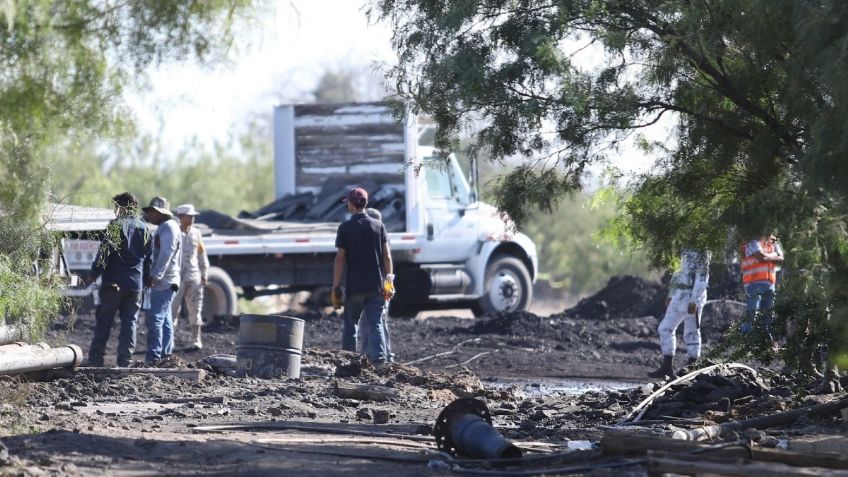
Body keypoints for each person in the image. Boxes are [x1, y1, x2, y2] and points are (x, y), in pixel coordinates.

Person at [86, 192, 152, 367]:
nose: (115, 210)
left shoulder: (115, 227)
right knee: (130, 323)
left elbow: (104, 254)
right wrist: (146, 279)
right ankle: (125, 361)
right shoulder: (144, 228)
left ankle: (95, 359)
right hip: (135, 285)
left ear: (123, 207)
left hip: (113, 284)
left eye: (117, 207)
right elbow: (148, 257)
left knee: (104, 321)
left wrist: (94, 273)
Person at [331, 188, 394, 363]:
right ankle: (380, 362)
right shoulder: (379, 226)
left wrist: (336, 287)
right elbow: (386, 256)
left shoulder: (345, 228)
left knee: (351, 325)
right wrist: (389, 281)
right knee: (376, 323)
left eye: (348, 203)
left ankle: (348, 361)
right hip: (376, 286)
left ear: (352, 204)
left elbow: (340, 260)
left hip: (355, 286)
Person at [648, 250, 710, 378]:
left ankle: (692, 366)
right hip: (678, 296)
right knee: (665, 328)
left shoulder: (703, 251)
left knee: (691, 331)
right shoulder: (684, 249)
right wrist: (671, 294)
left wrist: (694, 300)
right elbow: (677, 273)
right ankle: (667, 366)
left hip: (691, 298)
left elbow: (702, 278)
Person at [142, 196, 181, 365]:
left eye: (152, 212)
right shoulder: (167, 227)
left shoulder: (168, 228)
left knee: (155, 318)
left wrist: (155, 275)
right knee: (164, 319)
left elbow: (166, 253)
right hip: (167, 280)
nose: (149, 215)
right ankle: (165, 355)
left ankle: (154, 357)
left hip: (163, 281)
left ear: (160, 212)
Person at [356, 207, 394, 362]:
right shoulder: (381, 235)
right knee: (377, 322)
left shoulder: (375, 236)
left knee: (373, 322)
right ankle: (382, 355)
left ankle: (374, 356)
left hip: (377, 285)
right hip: (382, 285)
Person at [171, 204, 209, 351]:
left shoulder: (196, 233)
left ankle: (196, 339)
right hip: (176, 277)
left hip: (193, 276)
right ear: (181, 217)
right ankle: (170, 340)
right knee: (173, 309)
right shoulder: (174, 233)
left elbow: (201, 253)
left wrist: (204, 271)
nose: (192, 218)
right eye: (189, 216)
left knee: (195, 309)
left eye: (193, 216)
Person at [741, 234, 784, 337]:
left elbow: (781, 258)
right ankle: (746, 339)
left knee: (768, 314)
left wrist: (767, 256)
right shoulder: (751, 239)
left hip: (770, 283)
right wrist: (773, 255)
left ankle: (764, 341)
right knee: (752, 312)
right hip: (753, 282)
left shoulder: (773, 239)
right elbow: (760, 257)